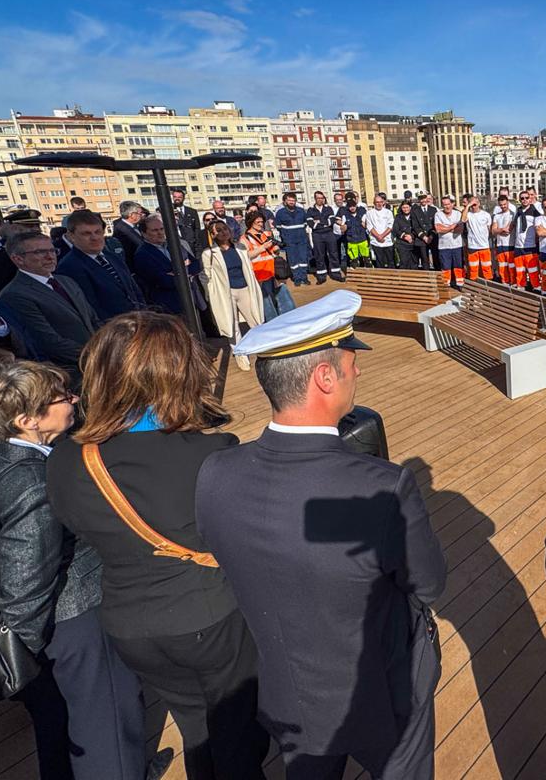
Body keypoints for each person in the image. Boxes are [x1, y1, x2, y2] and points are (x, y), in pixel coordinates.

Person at [196, 291, 447, 780]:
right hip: (383, 686)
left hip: (287, 690)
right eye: (352, 363)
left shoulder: (215, 473)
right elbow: (429, 585)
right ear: (324, 376)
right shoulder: (380, 487)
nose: (358, 373)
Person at [46, 312, 270, 780]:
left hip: (129, 623)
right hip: (210, 617)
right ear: (179, 372)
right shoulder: (212, 454)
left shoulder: (68, 457)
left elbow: (75, 523)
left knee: (196, 727)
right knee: (237, 734)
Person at [0, 360, 157, 780]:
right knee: (108, 722)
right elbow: (26, 583)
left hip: (54, 623)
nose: (74, 399)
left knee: (63, 719)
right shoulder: (34, 483)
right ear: (28, 420)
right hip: (76, 618)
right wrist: (18, 657)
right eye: (61, 397)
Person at [0, 231, 99, 380]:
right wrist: (98, 355)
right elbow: (49, 342)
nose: (50, 256)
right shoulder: (15, 293)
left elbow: (93, 319)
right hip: (69, 373)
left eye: (52, 250)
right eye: (40, 252)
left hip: (97, 363)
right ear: (18, 259)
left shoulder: (67, 281)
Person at [56, 209, 145, 323]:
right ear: (71, 236)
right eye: (86, 233)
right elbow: (91, 308)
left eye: (98, 232)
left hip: (138, 322)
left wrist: (143, 315)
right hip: (114, 330)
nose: (94, 238)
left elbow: (133, 290)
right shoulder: (69, 267)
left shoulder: (111, 256)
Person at [199, 220, 264, 372]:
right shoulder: (208, 253)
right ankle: (240, 354)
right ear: (213, 234)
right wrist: (210, 295)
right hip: (225, 293)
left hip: (245, 288)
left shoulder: (240, 247)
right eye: (219, 230)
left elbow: (248, 264)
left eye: (225, 229)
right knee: (232, 324)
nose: (223, 232)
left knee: (256, 320)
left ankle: (263, 348)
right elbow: (205, 276)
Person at [243, 209, 283, 320]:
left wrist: (275, 249)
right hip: (259, 275)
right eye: (258, 222)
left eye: (262, 222)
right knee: (266, 304)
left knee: (275, 300)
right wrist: (262, 248)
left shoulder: (265, 235)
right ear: (251, 223)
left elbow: (272, 251)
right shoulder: (245, 239)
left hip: (271, 273)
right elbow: (246, 255)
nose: (261, 224)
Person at [274, 191, 312, 285]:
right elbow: (278, 227)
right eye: (289, 200)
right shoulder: (280, 213)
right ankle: (297, 278)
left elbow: (305, 224)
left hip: (302, 239)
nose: (291, 202)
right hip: (289, 240)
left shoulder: (301, 211)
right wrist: (285, 237)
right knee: (293, 260)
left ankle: (304, 277)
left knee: (303, 258)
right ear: (285, 201)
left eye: (293, 200)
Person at [435, 194, 466, 288]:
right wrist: (452, 226)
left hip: (457, 245)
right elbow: (438, 229)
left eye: (448, 204)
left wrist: (445, 227)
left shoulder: (458, 214)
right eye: (444, 204)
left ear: (452, 204)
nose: (446, 206)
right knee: (445, 268)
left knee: (459, 266)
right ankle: (446, 285)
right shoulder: (438, 214)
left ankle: (460, 285)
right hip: (444, 246)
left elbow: (460, 229)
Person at [512, 190, 540, 291]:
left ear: (530, 199)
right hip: (518, 245)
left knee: (533, 270)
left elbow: (539, 228)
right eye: (522, 198)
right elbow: (514, 225)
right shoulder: (518, 211)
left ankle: (536, 287)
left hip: (530, 245)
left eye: (526, 198)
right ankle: (521, 287)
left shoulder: (535, 212)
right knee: (519, 270)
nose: (524, 200)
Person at [463, 195, 495, 280]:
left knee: (487, 269)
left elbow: (490, 230)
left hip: (484, 246)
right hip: (472, 246)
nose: (474, 206)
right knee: (473, 270)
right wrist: (468, 206)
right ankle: (475, 290)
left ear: (479, 203)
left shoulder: (486, 215)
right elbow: (463, 219)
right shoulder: (468, 214)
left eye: (476, 204)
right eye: (472, 204)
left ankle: (488, 289)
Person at [338, 191, 370, 268]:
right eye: (348, 201)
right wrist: (343, 225)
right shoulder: (343, 210)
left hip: (362, 238)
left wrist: (366, 224)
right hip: (351, 239)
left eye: (352, 200)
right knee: (353, 260)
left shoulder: (361, 209)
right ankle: (356, 276)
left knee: (366, 259)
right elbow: (338, 220)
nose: (352, 207)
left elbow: (367, 221)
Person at [364, 192, 397, 268]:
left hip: (387, 241)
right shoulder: (369, 213)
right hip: (376, 242)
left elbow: (390, 226)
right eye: (377, 202)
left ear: (383, 202)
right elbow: (369, 226)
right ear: (374, 203)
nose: (379, 204)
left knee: (391, 262)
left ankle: (393, 278)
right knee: (379, 262)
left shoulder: (388, 212)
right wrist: (378, 237)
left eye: (381, 202)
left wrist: (382, 236)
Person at [112, 200, 147, 265]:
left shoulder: (134, 226)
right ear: (132, 215)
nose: (142, 215)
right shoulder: (122, 230)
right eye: (140, 213)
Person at [491, 194, 516, 283]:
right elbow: (493, 231)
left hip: (510, 244)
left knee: (511, 266)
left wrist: (498, 230)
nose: (503, 206)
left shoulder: (512, 215)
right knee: (502, 266)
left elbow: (508, 231)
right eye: (501, 205)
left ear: (508, 203)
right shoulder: (497, 216)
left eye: (504, 204)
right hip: (500, 244)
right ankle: (504, 282)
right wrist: (501, 229)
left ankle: (513, 282)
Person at [411, 192, 439, 270]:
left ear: (427, 198)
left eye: (424, 198)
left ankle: (439, 278)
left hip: (433, 237)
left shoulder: (433, 209)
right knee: (425, 260)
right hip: (422, 239)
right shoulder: (415, 211)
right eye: (420, 198)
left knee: (436, 259)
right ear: (418, 200)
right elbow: (415, 226)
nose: (423, 200)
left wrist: (431, 236)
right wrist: (424, 237)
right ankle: (427, 278)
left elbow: (436, 224)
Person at [392, 199, 419, 270]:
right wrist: (404, 236)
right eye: (404, 207)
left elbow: (418, 228)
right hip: (402, 244)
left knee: (414, 263)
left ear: (410, 207)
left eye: (407, 207)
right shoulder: (398, 217)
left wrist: (411, 236)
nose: (405, 209)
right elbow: (396, 229)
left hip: (413, 243)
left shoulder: (415, 216)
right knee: (404, 263)